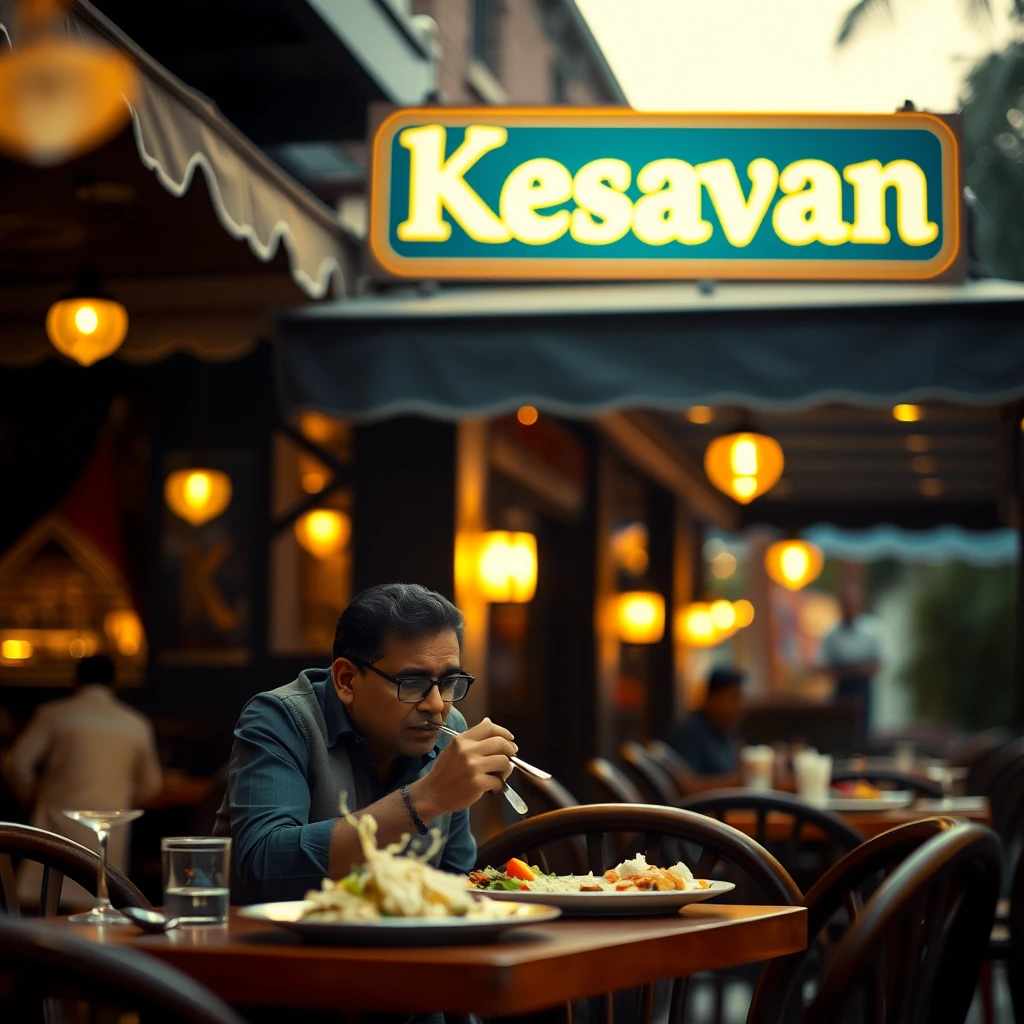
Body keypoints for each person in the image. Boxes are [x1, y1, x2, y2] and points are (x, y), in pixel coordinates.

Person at [214, 582, 518, 906]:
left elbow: (454, 879)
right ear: (347, 680)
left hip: (405, 949)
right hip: (269, 947)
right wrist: (426, 798)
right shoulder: (282, 718)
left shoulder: (449, 729)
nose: (437, 704)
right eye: (412, 682)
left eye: (449, 682)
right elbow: (264, 867)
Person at [3, 653, 163, 908]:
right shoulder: (136, 723)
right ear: (115, 685)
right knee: (97, 906)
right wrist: (117, 798)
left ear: (74, 681)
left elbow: (17, 765)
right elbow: (152, 786)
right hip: (109, 836)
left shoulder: (54, 714)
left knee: (44, 911)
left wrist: (32, 799)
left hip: (56, 830)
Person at [819, 583, 883, 746]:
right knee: (842, 732)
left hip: (863, 688)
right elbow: (824, 666)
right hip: (842, 689)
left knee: (864, 732)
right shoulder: (832, 635)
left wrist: (854, 670)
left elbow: (878, 664)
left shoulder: (871, 630)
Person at [667, 667, 745, 791]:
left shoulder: (724, 731)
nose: (739, 706)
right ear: (712, 698)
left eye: (740, 699)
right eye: (733, 698)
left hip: (727, 805)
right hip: (704, 809)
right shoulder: (690, 733)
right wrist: (741, 782)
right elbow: (687, 787)